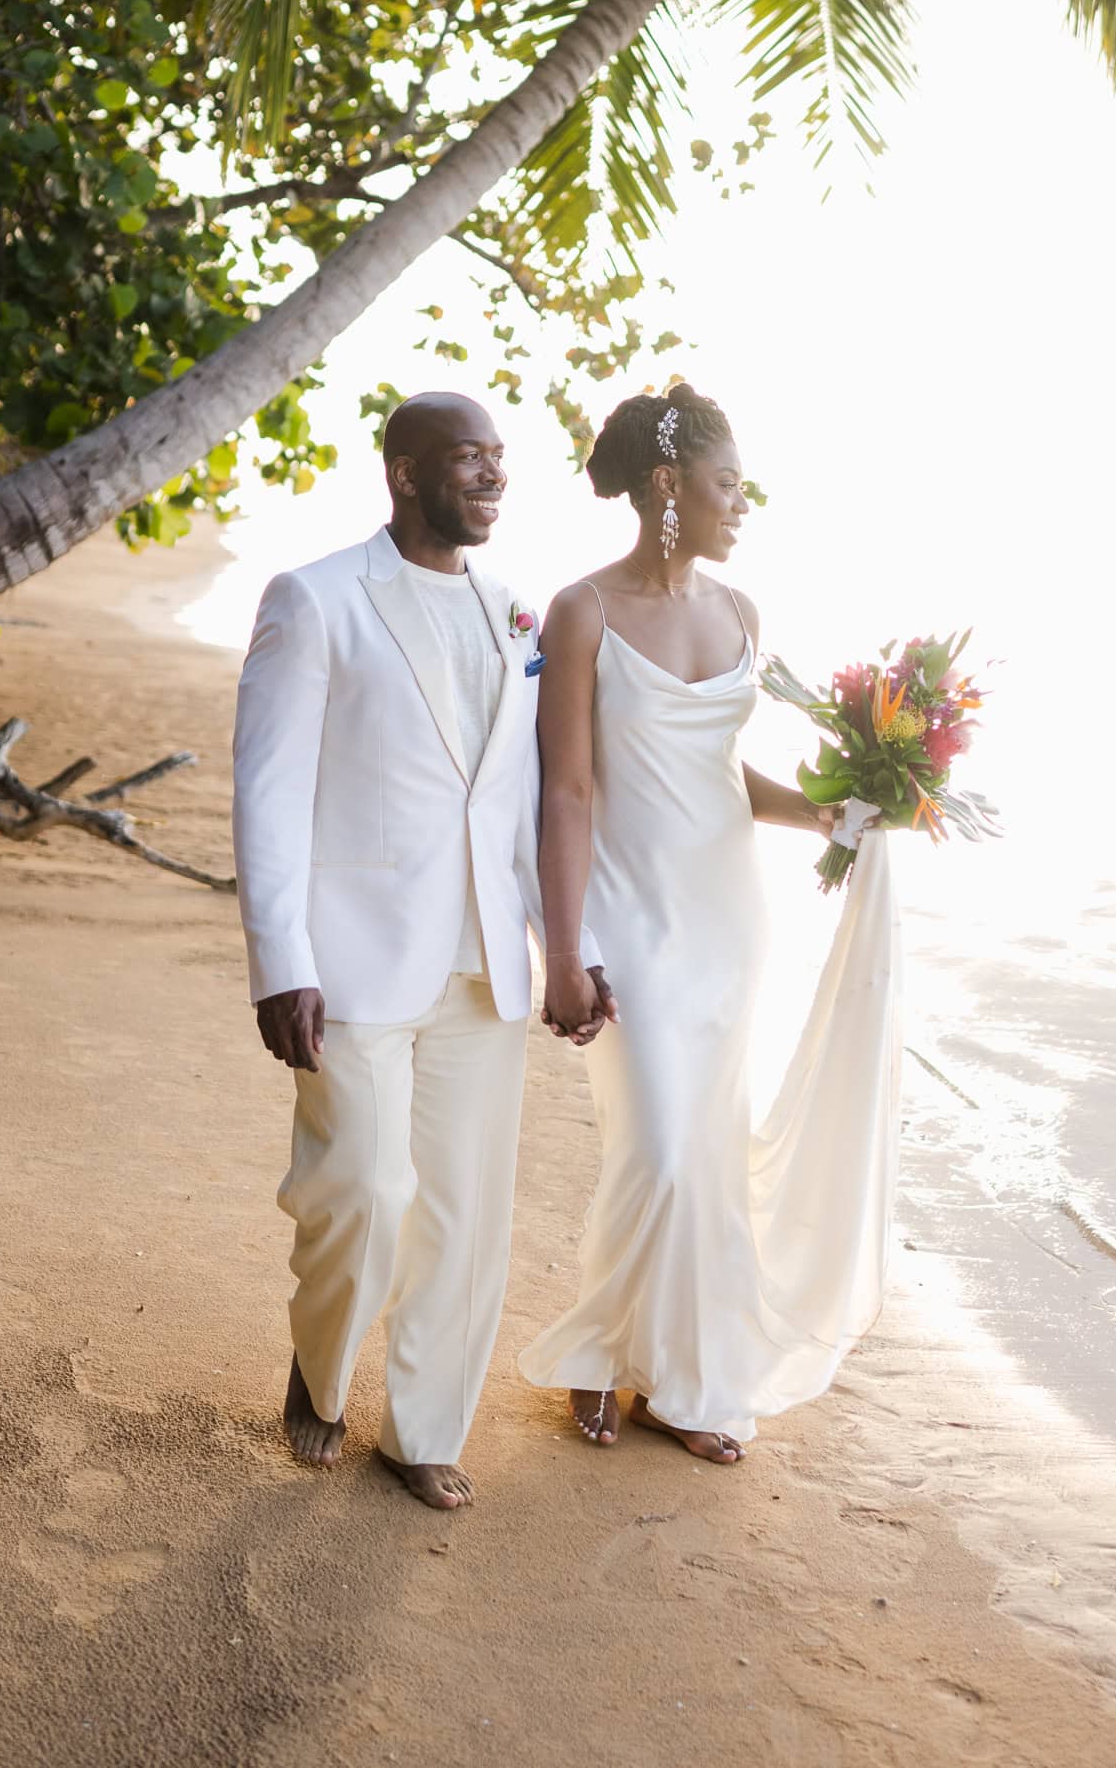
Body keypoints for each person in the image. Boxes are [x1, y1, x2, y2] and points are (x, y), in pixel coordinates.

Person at [232, 392, 608, 1508]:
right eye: (467, 460)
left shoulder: (513, 614)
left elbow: (545, 795)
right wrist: (278, 960)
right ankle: (320, 1365)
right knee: (357, 1188)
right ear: (403, 474)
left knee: (464, 1211)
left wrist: (570, 949)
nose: (492, 477)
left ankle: (425, 1429)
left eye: (499, 459)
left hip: (484, 959)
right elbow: (268, 792)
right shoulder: (317, 599)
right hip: (348, 959)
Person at [520, 384, 899, 1465]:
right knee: (658, 1150)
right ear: (667, 488)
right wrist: (566, 946)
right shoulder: (581, 610)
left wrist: (824, 809)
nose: (744, 501)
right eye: (729, 483)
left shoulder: (740, 613)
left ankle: (680, 1381)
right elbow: (569, 790)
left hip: (730, 913)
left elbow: (719, 769)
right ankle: (603, 1348)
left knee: (706, 1150)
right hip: (628, 912)